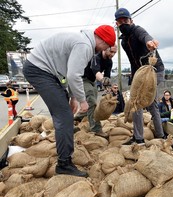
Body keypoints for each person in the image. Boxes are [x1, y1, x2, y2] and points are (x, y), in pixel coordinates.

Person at [22, 25, 116, 177]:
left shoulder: (83, 42)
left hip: (47, 71)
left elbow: (68, 72)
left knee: (65, 109)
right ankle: (64, 164)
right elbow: (73, 76)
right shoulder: (84, 45)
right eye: (107, 46)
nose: (103, 49)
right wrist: (82, 100)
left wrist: (72, 97)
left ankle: (65, 136)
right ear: (103, 40)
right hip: (39, 70)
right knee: (64, 116)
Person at [115, 8, 165, 144]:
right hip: (140, 73)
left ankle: (140, 138)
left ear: (131, 21)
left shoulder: (137, 30)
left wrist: (149, 42)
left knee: (137, 102)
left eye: (126, 20)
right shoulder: (123, 42)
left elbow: (145, 36)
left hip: (156, 71)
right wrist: (133, 79)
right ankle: (158, 136)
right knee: (150, 104)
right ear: (117, 24)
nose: (124, 23)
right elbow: (133, 61)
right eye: (120, 22)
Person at [74, 45, 117, 138]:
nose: (113, 54)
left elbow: (107, 76)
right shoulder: (96, 56)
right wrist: (103, 80)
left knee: (90, 104)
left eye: (115, 52)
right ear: (105, 49)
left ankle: (77, 117)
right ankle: (96, 129)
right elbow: (96, 72)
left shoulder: (109, 62)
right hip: (83, 79)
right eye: (111, 52)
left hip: (92, 81)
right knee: (92, 103)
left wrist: (109, 87)